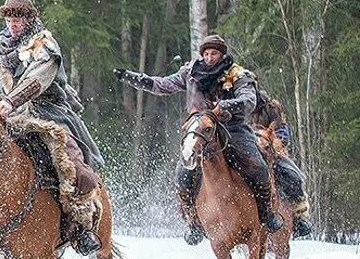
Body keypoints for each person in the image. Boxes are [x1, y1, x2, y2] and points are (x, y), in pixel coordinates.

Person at [0, 0, 104, 254]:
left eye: (18, 18)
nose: (13, 23)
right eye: (9, 18)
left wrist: (11, 100)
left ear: (29, 18)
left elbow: (37, 80)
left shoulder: (44, 45)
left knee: (74, 167)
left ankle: (80, 225)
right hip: (6, 118)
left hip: (47, 115)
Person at [115, 34, 287, 242]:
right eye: (206, 53)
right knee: (182, 174)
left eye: (214, 53)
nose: (209, 57)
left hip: (232, 127)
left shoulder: (238, 74)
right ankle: (193, 220)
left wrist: (223, 107)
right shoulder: (191, 72)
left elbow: (249, 100)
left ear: (222, 55)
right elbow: (161, 85)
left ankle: (266, 213)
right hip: (200, 128)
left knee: (257, 165)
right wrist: (132, 78)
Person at [250, 92, 312, 237]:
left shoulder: (272, 108)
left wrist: (272, 141)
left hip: (272, 152)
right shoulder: (243, 107)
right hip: (251, 153)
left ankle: (299, 217)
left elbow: (283, 131)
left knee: (293, 177)